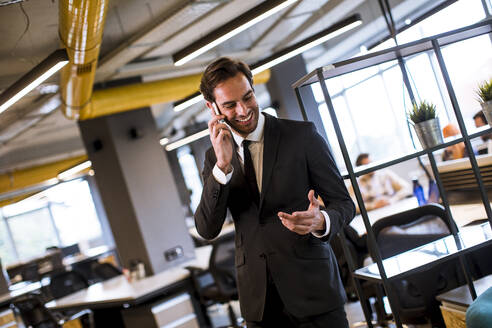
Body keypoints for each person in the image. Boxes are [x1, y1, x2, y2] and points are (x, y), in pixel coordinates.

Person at [194, 57, 355, 328]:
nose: (244, 110)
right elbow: (207, 228)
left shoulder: (302, 136)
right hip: (260, 304)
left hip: (313, 291)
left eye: (248, 97)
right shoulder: (214, 158)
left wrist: (321, 221)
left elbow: (343, 203)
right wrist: (222, 166)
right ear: (212, 108)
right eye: (230, 105)